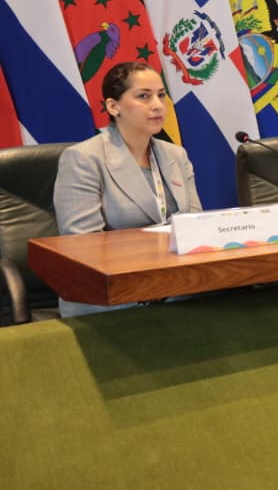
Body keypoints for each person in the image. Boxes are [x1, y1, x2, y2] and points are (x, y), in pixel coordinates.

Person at [53, 61, 201, 317]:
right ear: (113, 106)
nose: (157, 105)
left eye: (161, 95)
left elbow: (195, 224)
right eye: (144, 96)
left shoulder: (176, 155)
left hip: (177, 287)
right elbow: (84, 246)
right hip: (113, 294)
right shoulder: (84, 159)